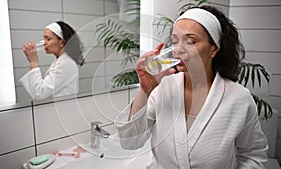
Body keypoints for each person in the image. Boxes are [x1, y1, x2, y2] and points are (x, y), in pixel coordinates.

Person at [114, 5, 268, 169]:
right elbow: (129, 142)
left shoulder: (239, 98)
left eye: (190, 41)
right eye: (174, 41)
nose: (178, 49)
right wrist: (145, 91)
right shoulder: (163, 89)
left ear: (213, 48)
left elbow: (253, 156)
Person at [20, 21, 84, 100]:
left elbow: (40, 93)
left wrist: (34, 62)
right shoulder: (60, 61)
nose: (44, 43)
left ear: (61, 42)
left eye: (48, 39)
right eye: (44, 39)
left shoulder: (66, 63)